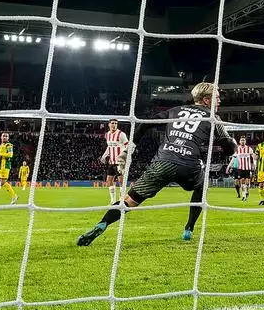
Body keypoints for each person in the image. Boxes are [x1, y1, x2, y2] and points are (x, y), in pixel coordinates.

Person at [76, 82, 236, 246]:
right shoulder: (213, 118)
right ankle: (188, 228)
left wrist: (129, 150)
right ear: (207, 100)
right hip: (189, 165)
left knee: (129, 201)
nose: (220, 101)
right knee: (202, 187)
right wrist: (230, 140)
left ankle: (102, 224)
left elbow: (145, 123)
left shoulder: (175, 111)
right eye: (217, 97)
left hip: (162, 163)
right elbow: (229, 150)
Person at [100, 119, 132, 204]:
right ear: (109, 125)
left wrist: (125, 156)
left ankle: (121, 200)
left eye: (116, 123)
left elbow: (128, 145)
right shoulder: (107, 135)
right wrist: (104, 156)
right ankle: (113, 201)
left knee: (121, 180)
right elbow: (109, 147)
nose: (114, 125)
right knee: (109, 181)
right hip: (111, 161)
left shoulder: (121, 134)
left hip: (119, 161)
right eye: (112, 123)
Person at [232, 136, 255, 202]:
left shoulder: (249, 148)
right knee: (242, 181)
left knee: (247, 182)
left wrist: (254, 164)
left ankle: (247, 191)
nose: (243, 141)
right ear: (239, 141)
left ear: (245, 141)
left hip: (247, 168)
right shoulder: (237, 149)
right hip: (240, 168)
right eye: (241, 140)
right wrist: (230, 166)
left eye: (244, 140)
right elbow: (234, 157)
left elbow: (253, 156)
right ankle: (244, 195)